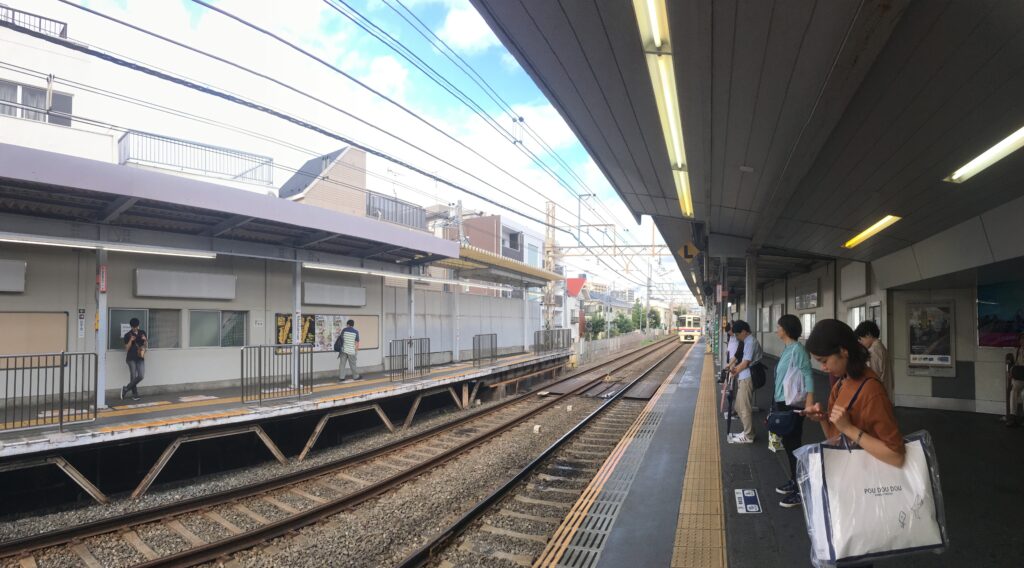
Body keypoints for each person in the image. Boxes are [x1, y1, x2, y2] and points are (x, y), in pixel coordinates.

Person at [804, 320, 905, 471]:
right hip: (848, 471)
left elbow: (897, 456)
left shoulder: (871, 391)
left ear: (843, 351)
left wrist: (849, 428)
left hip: (868, 476)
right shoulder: (841, 384)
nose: (823, 368)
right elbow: (834, 440)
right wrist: (823, 419)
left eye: (824, 361)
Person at [772, 315, 815, 508]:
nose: (777, 329)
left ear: (786, 330)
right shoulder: (788, 348)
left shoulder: (797, 349)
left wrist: (809, 402)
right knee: (789, 445)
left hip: (793, 403)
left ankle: (800, 490)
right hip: (783, 402)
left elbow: (808, 374)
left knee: (794, 445)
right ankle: (794, 480)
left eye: (779, 327)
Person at [728, 320, 761, 444]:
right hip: (744, 377)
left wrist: (734, 371)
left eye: (737, 334)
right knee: (738, 406)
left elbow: (746, 362)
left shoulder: (750, 342)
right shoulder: (747, 341)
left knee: (744, 408)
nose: (737, 337)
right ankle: (748, 431)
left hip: (747, 378)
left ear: (744, 331)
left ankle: (748, 435)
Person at [855, 321, 893, 402]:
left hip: (877, 394)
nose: (861, 343)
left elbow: (873, 376)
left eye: (861, 339)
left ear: (868, 335)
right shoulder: (881, 347)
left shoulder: (873, 351)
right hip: (885, 391)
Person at [121, 318, 147, 401]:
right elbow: (126, 349)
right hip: (131, 358)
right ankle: (135, 394)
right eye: (133, 327)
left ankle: (126, 388)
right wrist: (130, 340)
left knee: (141, 376)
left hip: (140, 357)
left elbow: (145, 346)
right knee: (133, 376)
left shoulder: (142, 332)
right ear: (131, 326)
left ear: (138, 325)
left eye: (136, 326)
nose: (135, 328)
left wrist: (145, 340)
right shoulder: (127, 335)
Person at [1008, 333, 1024, 427]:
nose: (1022, 341)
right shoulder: (1018, 350)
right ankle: (1013, 416)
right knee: (1013, 391)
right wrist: (1011, 372)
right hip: (1020, 378)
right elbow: (1016, 364)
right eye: (1021, 339)